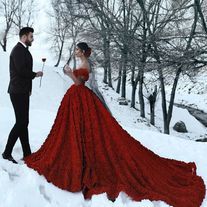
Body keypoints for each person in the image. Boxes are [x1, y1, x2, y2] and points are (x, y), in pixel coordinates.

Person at [24, 42, 205, 207]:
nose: (76, 51)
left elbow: (80, 82)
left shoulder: (85, 64)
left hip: (81, 98)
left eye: (78, 49)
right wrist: (71, 72)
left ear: (83, 52)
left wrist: (69, 73)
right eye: (76, 50)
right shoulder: (82, 63)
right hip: (77, 100)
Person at [2, 27, 43, 164]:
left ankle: (27, 153)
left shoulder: (24, 50)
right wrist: (35, 75)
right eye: (31, 36)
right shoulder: (18, 50)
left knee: (23, 122)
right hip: (17, 91)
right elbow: (21, 71)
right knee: (21, 122)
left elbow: (25, 71)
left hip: (23, 91)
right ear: (24, 36)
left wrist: (29, 88)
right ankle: (7, 153)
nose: (33, 39)